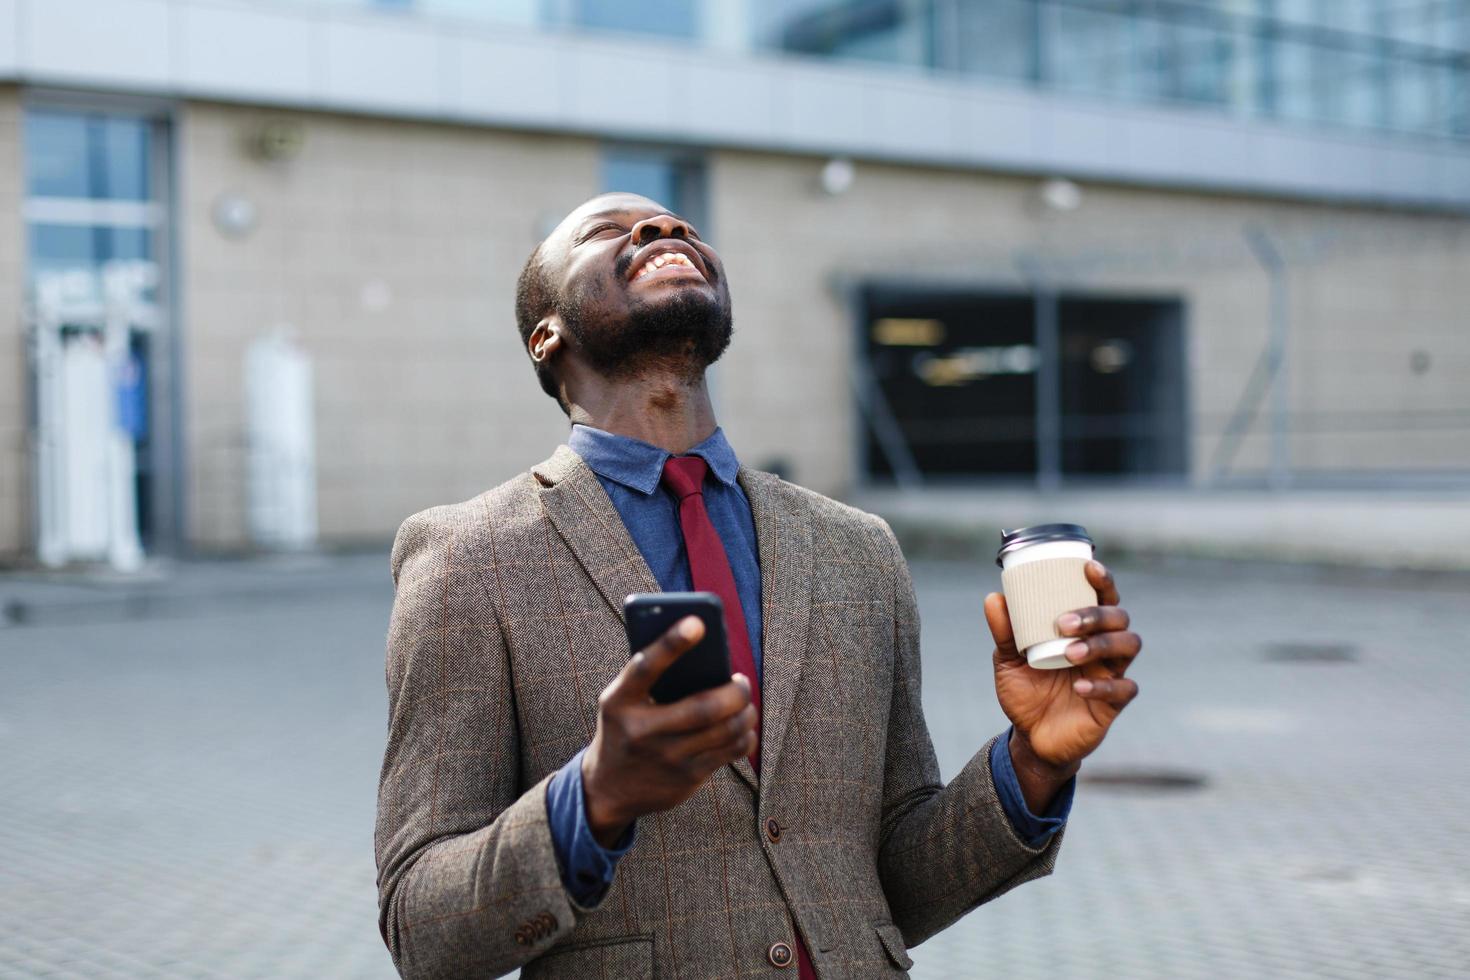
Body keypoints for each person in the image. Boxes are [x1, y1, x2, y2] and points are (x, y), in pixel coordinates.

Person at [374, 193, 1143, 979]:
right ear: (547, 335)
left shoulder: (859, 549)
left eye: (683, 227)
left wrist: (1033, 763)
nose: (665, 229)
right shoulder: (468, 559)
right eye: (608, 232)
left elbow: (885, 888)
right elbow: (421, 928)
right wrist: (594, 798)